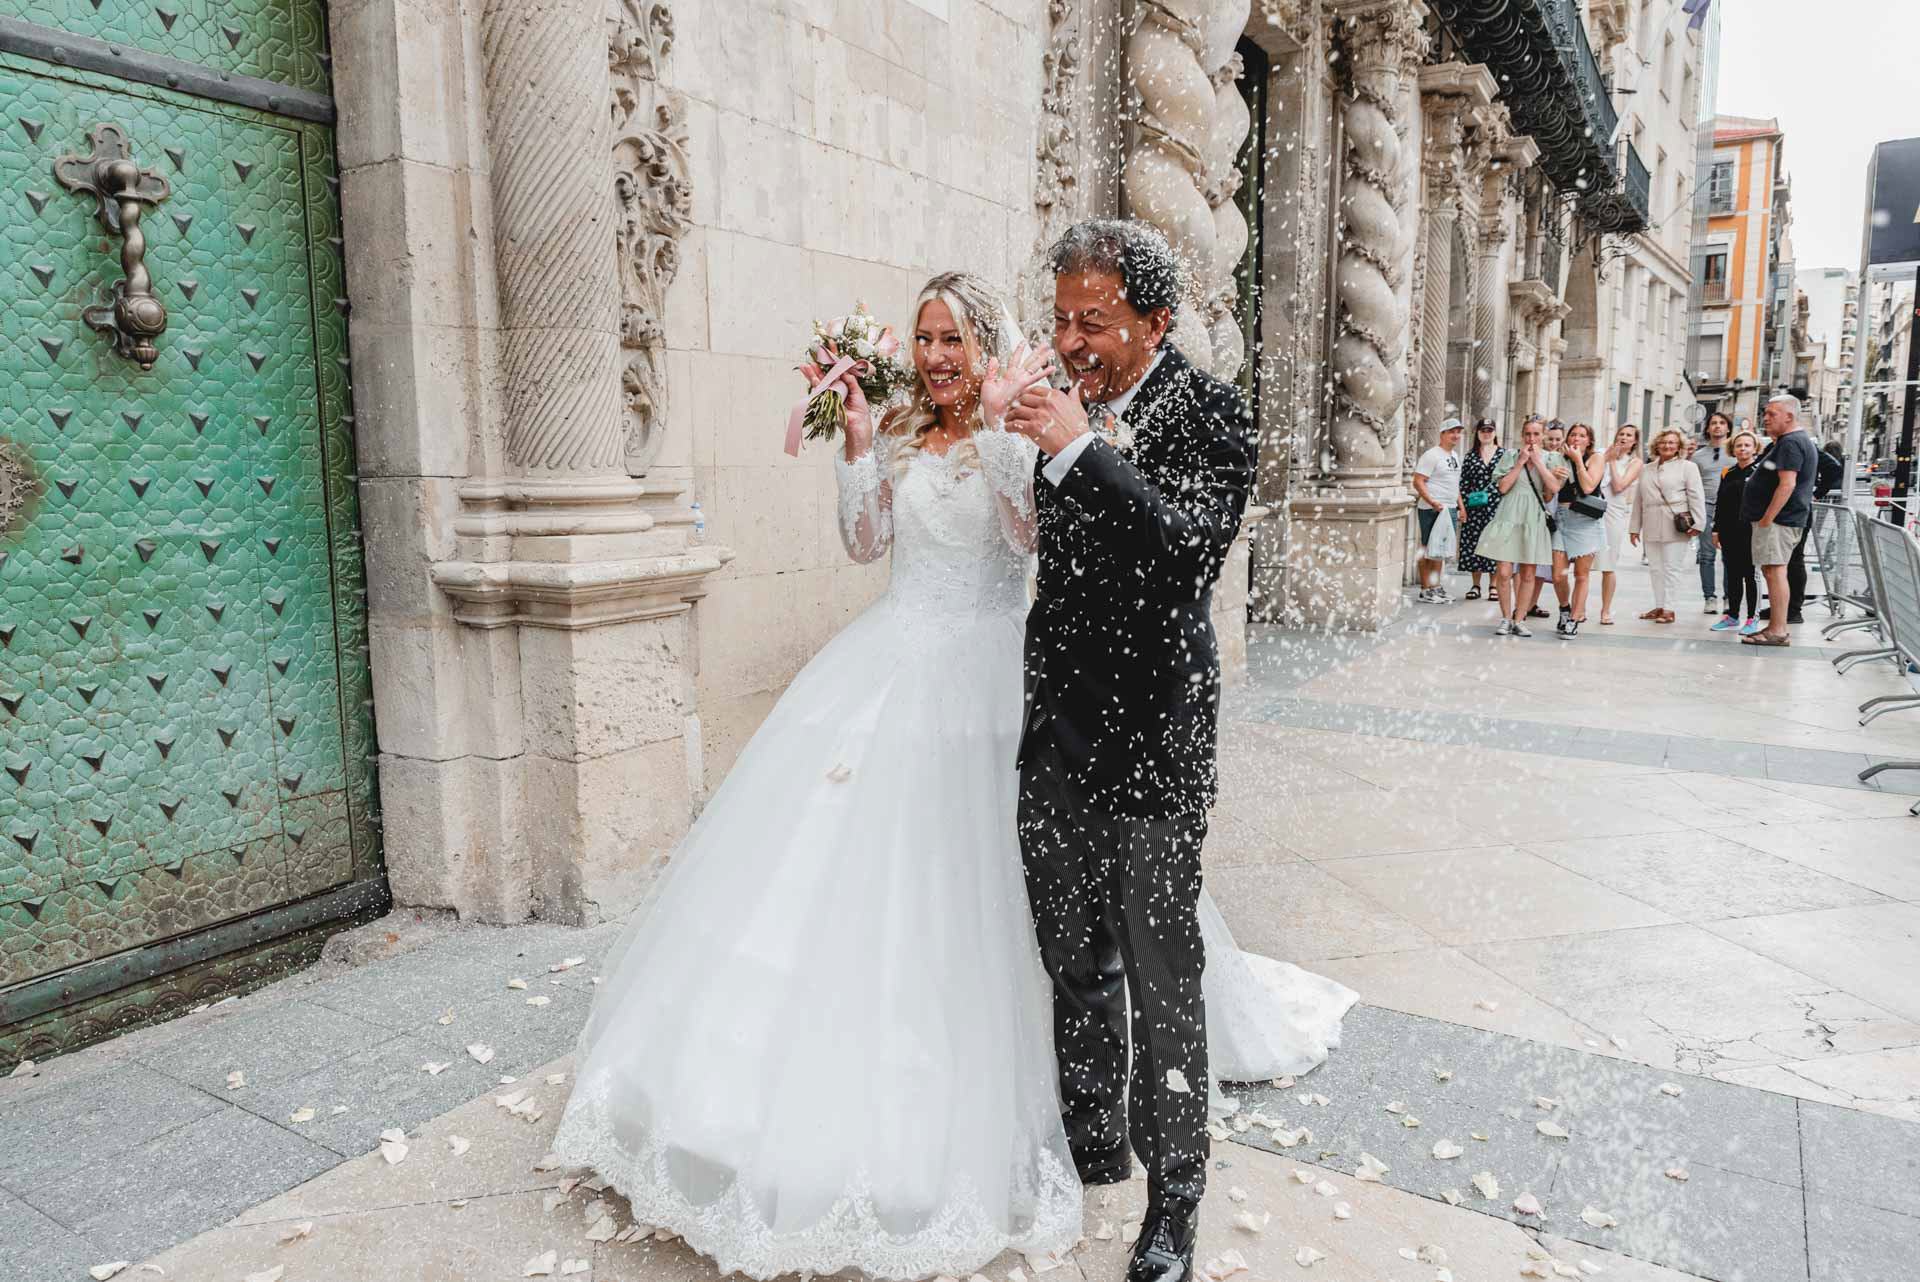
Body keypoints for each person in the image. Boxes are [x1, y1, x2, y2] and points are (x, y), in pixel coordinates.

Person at [550, 268, 1356, 1282]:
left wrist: (1007, 437)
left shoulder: (1017, 429)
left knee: (1029, 907)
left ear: (984, 345)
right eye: (922, 337)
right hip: (886, 664)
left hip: (986, 680)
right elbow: (865, 541)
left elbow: (1033, 542)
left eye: (950, 339)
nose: (933, 356)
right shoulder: (898, 430)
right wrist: (852, 446)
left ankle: (1107, 1126)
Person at [1006, 220, 1350, 1282]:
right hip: (1054, 737)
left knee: (1163, 978)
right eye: (1061, 318)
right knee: (1072, 959)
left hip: (1154, 743)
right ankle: (1094, 1142)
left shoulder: (1212, 413)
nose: (1070, 342)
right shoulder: (1058, 407)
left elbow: (1182, 557)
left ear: (1156, 319)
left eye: (1094, 322)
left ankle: (1174, 1204)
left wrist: (1075, 450)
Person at [1475, 416, 1565, 636]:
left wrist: (1540, 464)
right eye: (1527, 434)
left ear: (1543, 435)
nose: (1531, 438)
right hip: (1508, 515)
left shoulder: (1552, 458)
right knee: (1504, 572)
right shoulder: (1510, 456)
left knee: (1528, 573)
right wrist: (1520, 463)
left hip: (1532, 518)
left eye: (1536, 434)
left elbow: (1552, 489)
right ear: (1522, 435)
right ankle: (1505, 618)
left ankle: (1520, 619)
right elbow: (1503, 487)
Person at [1743, 393, 1820, 647]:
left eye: (1772, 413)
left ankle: (1777, 630)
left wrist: (1767, 518)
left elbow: (1787, 485)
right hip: (1780, 519)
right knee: (1772, 570)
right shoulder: (1787, 441)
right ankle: (1775, 626)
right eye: (1765, 413)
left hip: (1780, 521)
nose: (1765, 418)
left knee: (1775, 571)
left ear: (1789, 416)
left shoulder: (1791, 443)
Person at [1629, 427, 1705, 623]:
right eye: (1663, 442)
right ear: (1656, 445)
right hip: (1652, 523)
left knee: (1672, 568)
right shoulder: (1646, 469)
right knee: (1655, 568)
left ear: (1679, 446)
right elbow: (1638, 499)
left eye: (1671, 442)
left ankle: (1669, 609)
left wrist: (1699, 523)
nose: (1667, 445)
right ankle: (1659, 605)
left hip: (1676, 523)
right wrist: (1634, 528)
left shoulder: (1688, 467)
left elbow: (1696, 496)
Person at [1550, 423, 1607, 637]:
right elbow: (1550, 491)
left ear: (1589, 440)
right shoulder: (1558, 457)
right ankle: (1564, 608)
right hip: (1563, 517)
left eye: (1582, 435)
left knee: (1581, 575)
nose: (1576, 438)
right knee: (1558, 575)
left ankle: (1574, 619)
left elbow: (1588, 487)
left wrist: (1577, 461)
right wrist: (1553, 475)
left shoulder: (1596, 458)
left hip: (1586, 520)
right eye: (1573, 434)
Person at [1711, 430, 1762, 634]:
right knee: (1732, 574)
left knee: (1751, 575)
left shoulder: (1760, 472)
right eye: (1739, 445)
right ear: (1732, 449)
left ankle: (1752, 618)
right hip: (1729, 531)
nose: (1743, 449)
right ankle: (1732, 615)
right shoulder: (1727, 473)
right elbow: (1721, 503)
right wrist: (1716, 530)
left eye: (1747, 445)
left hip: (1751, 531)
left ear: (1755, 448)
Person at [1412, 418, 1465, 603]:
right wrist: (1432, 501)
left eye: (1458, 432)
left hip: (1448, 508)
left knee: (1440, 548)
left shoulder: (1455, 456)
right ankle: (1425, 589)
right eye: (1452, 431)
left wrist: (1461, 507)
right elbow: (1418, 481)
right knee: (1427, 547)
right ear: (1442, 433)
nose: (1456, 435)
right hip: (1432, 508)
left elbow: (1454, 485)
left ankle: (1436, 587)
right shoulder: (1432, 455)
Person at [1595, 423, 1643, 624]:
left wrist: (1612, 462)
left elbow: (1619, 486)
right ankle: (1577, 609)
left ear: (1634, 441)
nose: (1623, 437)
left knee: (1609, 563)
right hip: (1592, 510)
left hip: (1614, 512)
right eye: (1621, 434)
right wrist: (1606, 457)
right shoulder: (1601, 453)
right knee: (1584, 563)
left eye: (1628, 435)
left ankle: (1605, 610)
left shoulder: (1635, 462)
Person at [1524, 421, 1570, 619]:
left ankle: (1532, 603)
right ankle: (1524, 604)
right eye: (1550, 439)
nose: (1553, 442)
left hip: (1558, 514)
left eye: (1558, 439)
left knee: (1545, 563)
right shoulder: (1539, 458)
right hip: (1540, 509)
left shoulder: (1565, 458)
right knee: (1530, 561)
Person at [1457, 418, 1504, 602]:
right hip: (1474, 507)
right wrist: (1463, 508)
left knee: (1494, 544)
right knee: (1474, 544)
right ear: (1477, 433)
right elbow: (1463, 484)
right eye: (1483, 430)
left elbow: (1507, 479)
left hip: (1496, 507)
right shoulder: (1470, 456)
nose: (1486, 433)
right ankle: (1475, 585)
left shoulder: (1503, 454)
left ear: (1495, 432)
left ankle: (1493, 585)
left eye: (1490, 430)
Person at [1692, 412, 1734, 614]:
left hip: (1730, 510)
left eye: (1722, 423)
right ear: (1708, 428)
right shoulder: (1698, 457)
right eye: (1713, 423)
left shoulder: (1736, 452)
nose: (1717, 426)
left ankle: (1729, 597)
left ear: (1728, 428)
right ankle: (1709, 597)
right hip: (1706, 508)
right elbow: (1692, 485)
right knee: (1707, 555)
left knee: (1729, 556)